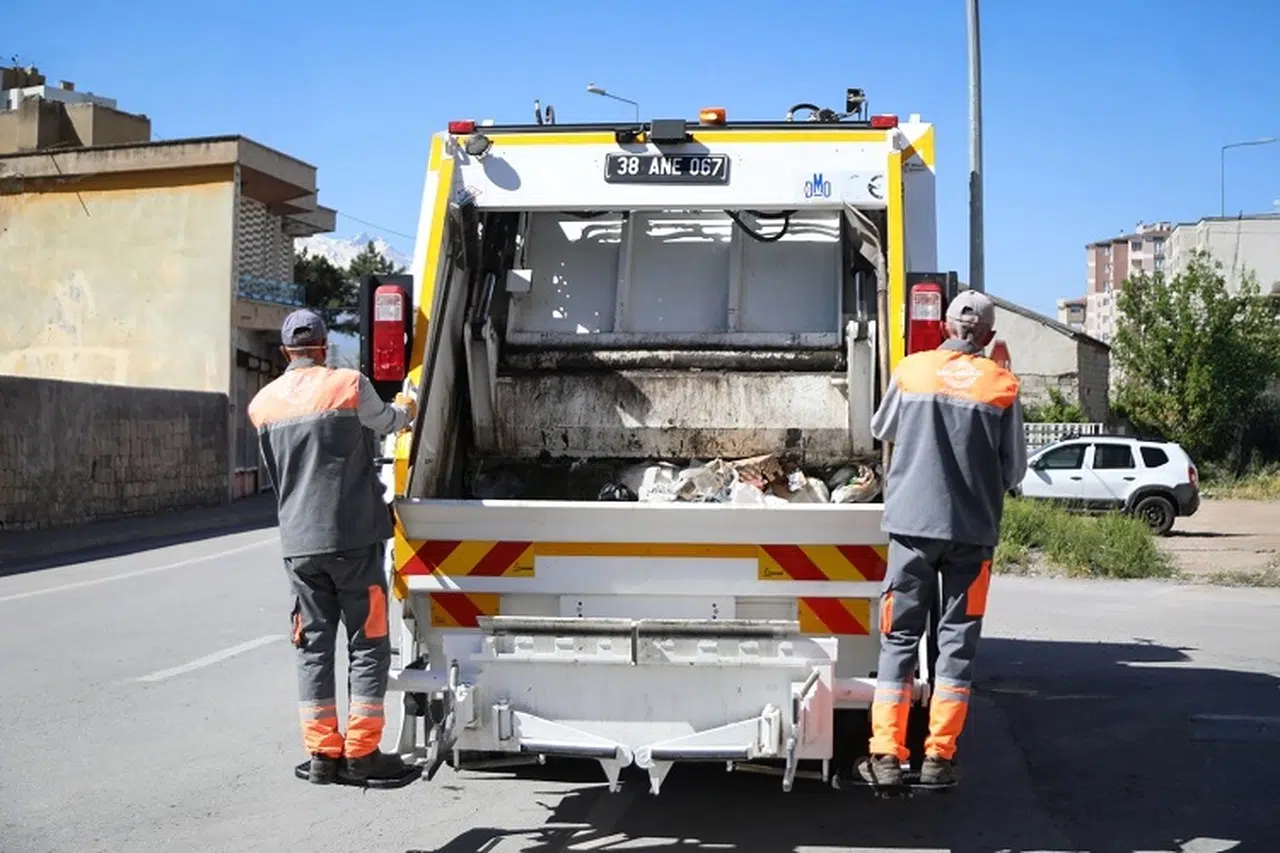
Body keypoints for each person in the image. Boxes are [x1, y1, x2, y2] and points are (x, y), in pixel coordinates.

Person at [856, 290, 1026, 787]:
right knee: (955, 646)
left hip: (911, 529)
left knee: (899, 638)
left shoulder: (913, 371)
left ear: (945, 327)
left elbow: (881, 426)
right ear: (989, 336)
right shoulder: (1002, 385)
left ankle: (886, 754)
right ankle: (939, 758)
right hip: (972, 536)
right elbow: (1014, 470)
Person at [247, 308, 419, 785]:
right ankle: (362, 754)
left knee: (312, 647)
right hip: (353, 538)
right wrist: (411, 406)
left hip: (298, 544)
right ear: (324, 346)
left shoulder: (262, 404)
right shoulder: (348, 384)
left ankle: (322, 755)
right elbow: (388, 422)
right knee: (367, 643)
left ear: (286, 352)